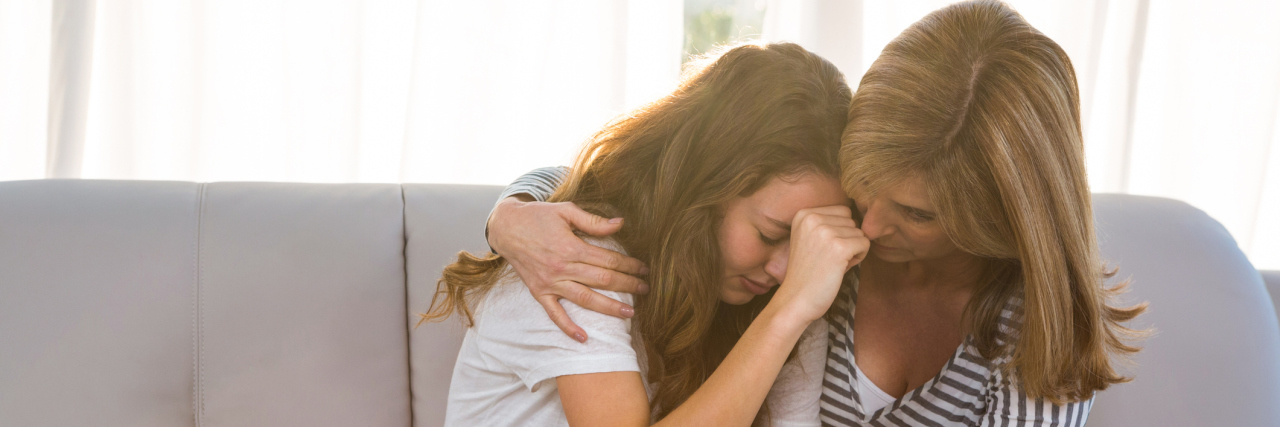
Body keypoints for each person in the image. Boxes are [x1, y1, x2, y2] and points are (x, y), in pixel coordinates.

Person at [484, 1, 1147, 426]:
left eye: (916, 215)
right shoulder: (818, 246)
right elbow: (638, 180)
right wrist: (514, 211)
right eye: (865, 185)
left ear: (995, 220)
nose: (871, 227)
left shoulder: (1027, 327)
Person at [420, 42, 870, 426]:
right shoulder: (573, 261)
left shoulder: (792, 294)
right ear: (701, 188)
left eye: (810, 241)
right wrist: (788, 313)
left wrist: (792, 309)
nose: (788, 270)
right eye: (770, 234)